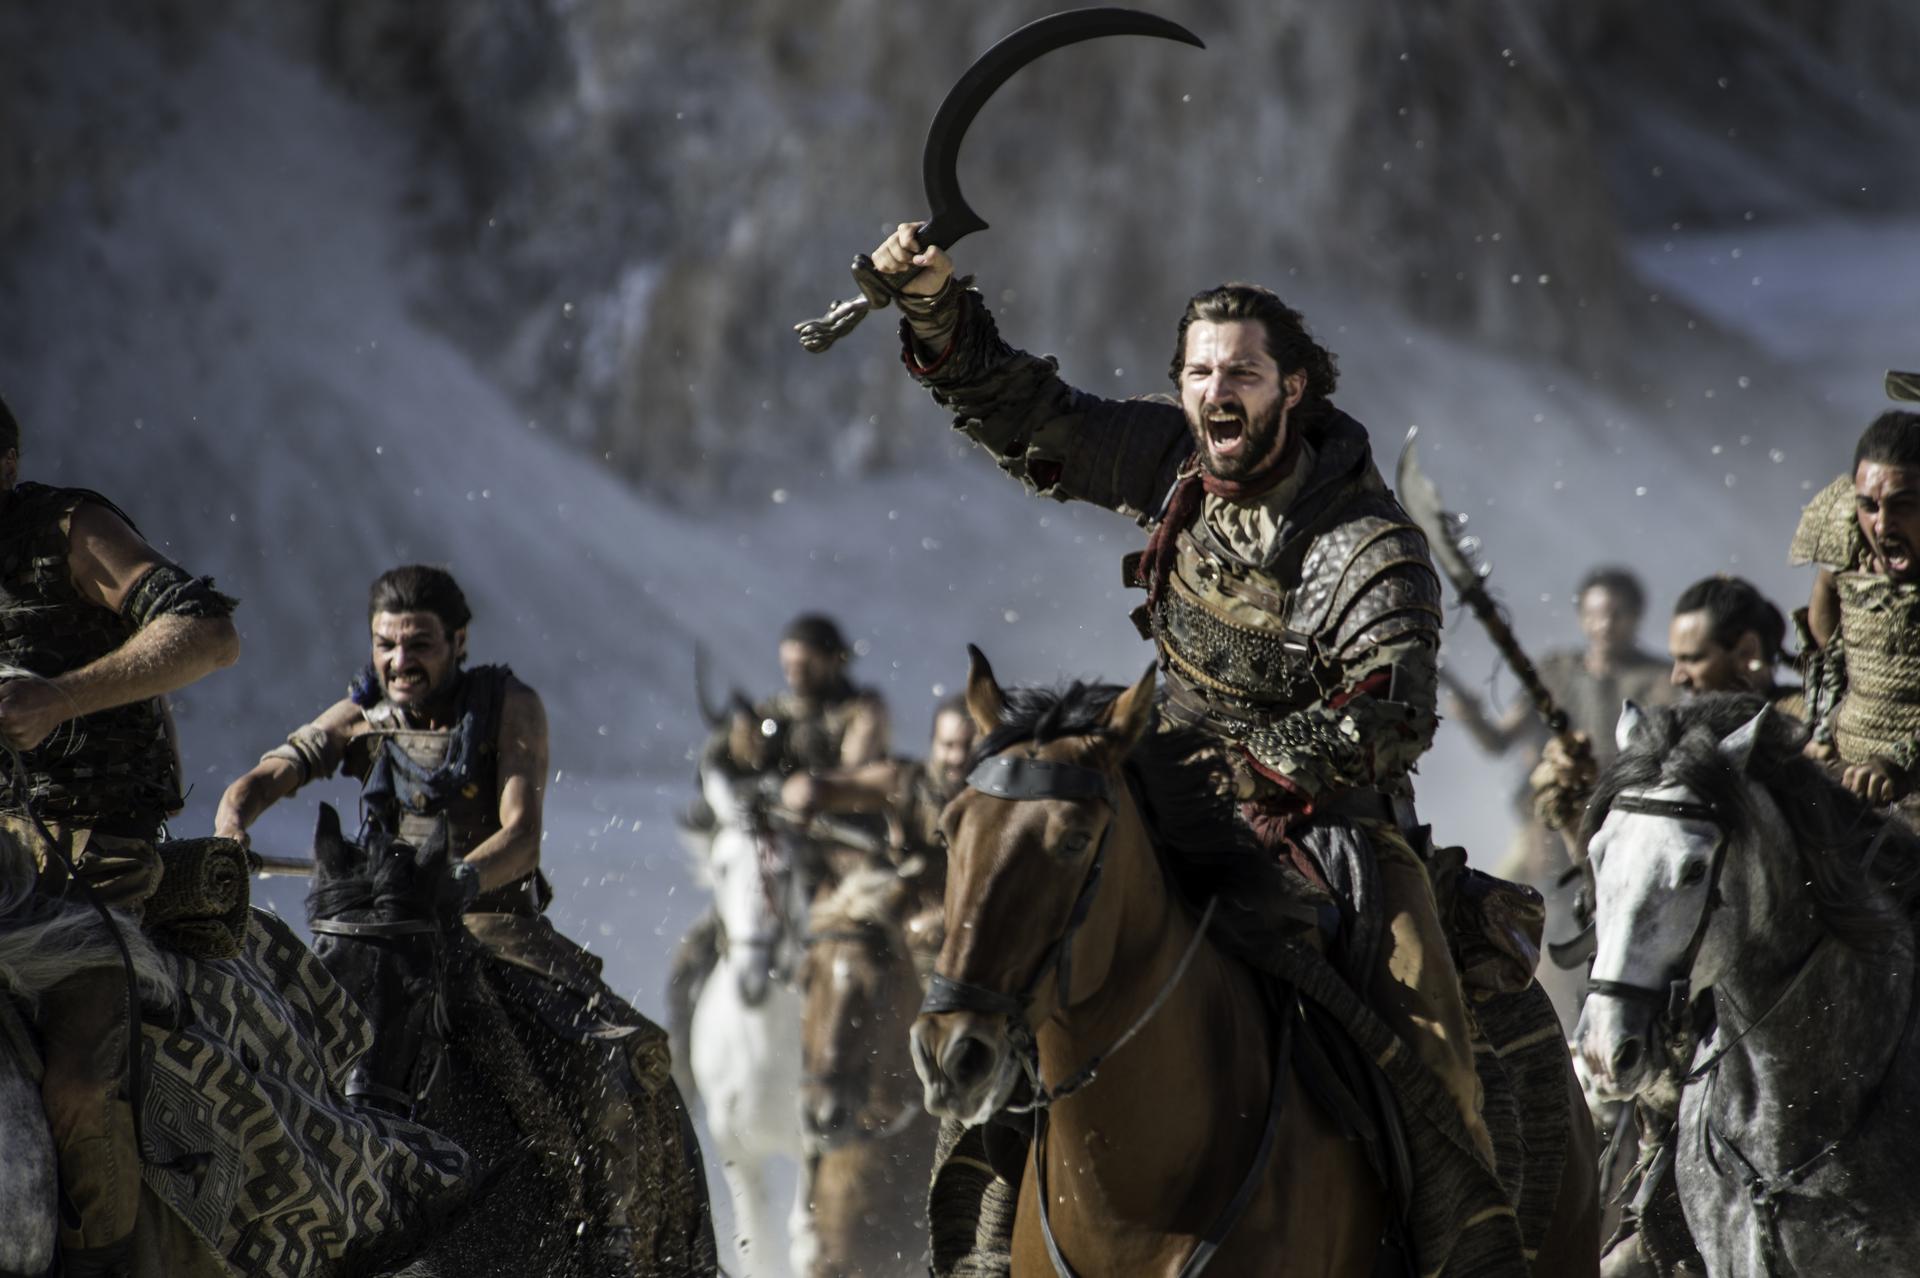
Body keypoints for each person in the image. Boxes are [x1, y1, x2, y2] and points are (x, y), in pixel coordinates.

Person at [872, 221, 1497, 1173]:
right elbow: (1033, 415)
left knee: (1437, 1070)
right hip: (1169, 800)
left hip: (1335, 834)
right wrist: (933, 307)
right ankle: (993, 1223)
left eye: (1242, 372)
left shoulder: (1368, 543)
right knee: (1014, 976)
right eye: (1200, 372)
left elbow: (1389, 713)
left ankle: (1466, 1228)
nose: (1217, 390)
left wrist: (1247, 772)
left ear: (1293, 388)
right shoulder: (1173, 465)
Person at [214, 564, 713, 1271]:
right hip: (386, 931)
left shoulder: (509, 706)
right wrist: (233, 822)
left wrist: (458, 879)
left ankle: (612, 1231)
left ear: (459, 641)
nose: (399, 661)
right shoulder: (362, 714)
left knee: (611, 1054)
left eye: (418, 644)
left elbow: (521, 835)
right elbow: (270, 774)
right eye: (385, 645)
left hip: (493, 926)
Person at [0, 393, 240, 1275]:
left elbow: (208, 632)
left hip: (85, 852)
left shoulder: (70, 531)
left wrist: (60, 698)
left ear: (5, 466)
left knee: (77, 1087)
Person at [1791, 410, 1920, 809]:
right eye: (1869, 506)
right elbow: (1826, 652)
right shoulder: (1850, 548)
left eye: (1902, 505)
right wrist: (1824, 730)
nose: (1882, 525)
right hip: (1850, 774)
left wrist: (1900, 763)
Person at [780, 692, 974, 919]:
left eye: (968, 746)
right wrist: (806, 793)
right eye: (949, 745)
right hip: (903, 916)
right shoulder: (906, 782)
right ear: (933, 741)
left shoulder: (992, 800)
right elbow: (838, 786)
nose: (958, 757)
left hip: (965, 916)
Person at [1667, 575, 1804, 716]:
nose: (1676, 678)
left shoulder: (1803, 719)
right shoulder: (1683, 722)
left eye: (1692, 659)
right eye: (1676, 659)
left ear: (1747, 651)